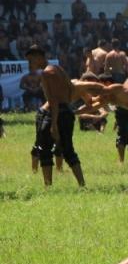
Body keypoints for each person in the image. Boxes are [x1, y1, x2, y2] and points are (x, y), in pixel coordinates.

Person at [26, 45, 115, 187]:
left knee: (45, 149)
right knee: (68, 150)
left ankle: (48, 186)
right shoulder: (58, 69)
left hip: (54, 113)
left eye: (31, 60)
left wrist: (54, 124)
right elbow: (70, 91)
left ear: (38, 57)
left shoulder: (47, 73)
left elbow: (53, 100)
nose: (29, 64)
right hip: (66, 112)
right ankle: (82, 184)